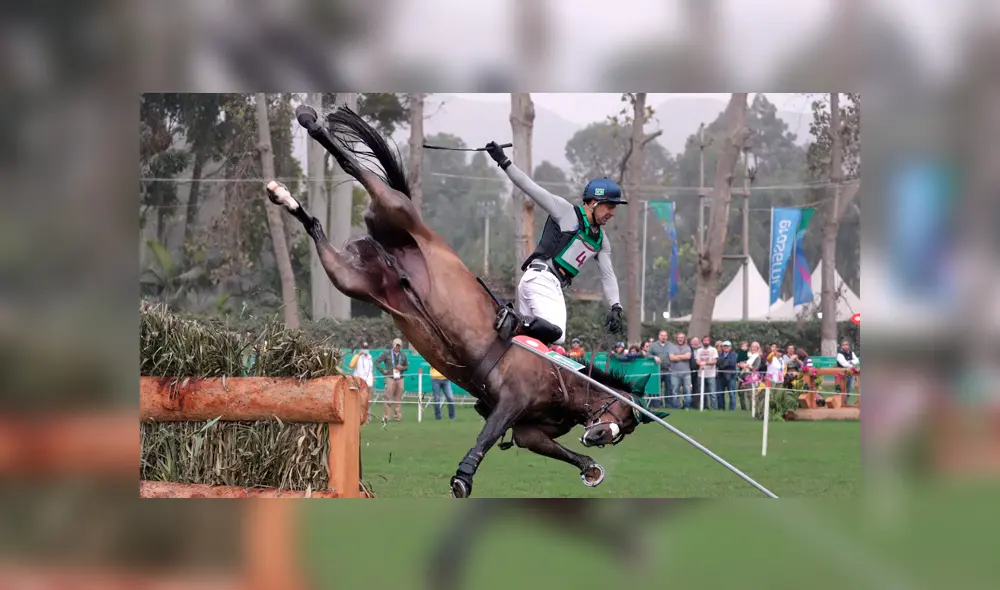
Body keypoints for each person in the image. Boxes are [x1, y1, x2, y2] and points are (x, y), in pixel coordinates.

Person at [484, 141, 624, 344]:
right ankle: (512, 318)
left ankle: (515, 331)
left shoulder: (601, 241)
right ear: (593, 203)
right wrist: (504, 161)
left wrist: (616, 307)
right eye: (610, 206)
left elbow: (608, 275)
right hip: (542, 280)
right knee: (558, 336)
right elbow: (529, 187)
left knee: (533, 344)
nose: (612, 213)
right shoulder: (566, 211)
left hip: (543, 283)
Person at [376, 338, 408, 422]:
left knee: (398, 398)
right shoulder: (386, 353)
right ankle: (386, 417)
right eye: (396, 345)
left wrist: (403, 368)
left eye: (399, 345)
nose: (398, 347)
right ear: (393, 345)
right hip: (390, 378)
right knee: (388, 397)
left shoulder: (403, 355)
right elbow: (377, 362)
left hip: (400, 379)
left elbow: (407, 366)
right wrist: (383, 371)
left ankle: (397, 416)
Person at [667, 332, 693, 409]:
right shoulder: (672, 347)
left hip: (686, 373)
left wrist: (676, 357)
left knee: (687, 391)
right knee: (675, 391)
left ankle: (686, 406)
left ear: (684, 339)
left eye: (682, 337)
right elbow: (671, 358)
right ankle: (676, 407)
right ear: (677, 338)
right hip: (675, 373)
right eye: (679, 337)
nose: (680, 339)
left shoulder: (688, 348)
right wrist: (683, 356)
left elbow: (688, 357)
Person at [647, 330, 671, 409]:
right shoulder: (653, 345)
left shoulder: (670, 345)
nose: (663, 337)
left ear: (667, 336)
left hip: (668, 370)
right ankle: (656, 404)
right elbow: (648, 355)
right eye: (662, 335)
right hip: (657, 370)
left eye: (665, 335)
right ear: (659, 336)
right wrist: (654, 357)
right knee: (657, 388)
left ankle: (668, 405)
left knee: (668, 388)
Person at [696, 336, 718, 409]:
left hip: (711, 374)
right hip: (701, 374)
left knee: (712, 393)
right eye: (704, 340)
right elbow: (697, 360)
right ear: (702, 341)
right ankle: (705, 407)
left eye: (707, 340)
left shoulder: (713, 350)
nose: (706, 342)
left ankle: (714, 408)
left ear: (709, 341)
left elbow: (715, 361)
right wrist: (700, 363)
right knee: (702, 392)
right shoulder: (699, 350)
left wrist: (705, 363)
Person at [717, 341, 739, 411]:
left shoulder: (733, 354)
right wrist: (725, 362)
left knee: (732, 393)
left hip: (731, 377)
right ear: (722, 347)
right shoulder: (719, 354)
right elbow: (718, 363)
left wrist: (723, 363)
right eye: (725, 346)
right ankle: (721, 408)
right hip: (721, 376)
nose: (726, 347)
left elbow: (732, 363)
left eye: (728, 346)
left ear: (730, 347)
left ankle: (731, 409)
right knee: (720, 393)